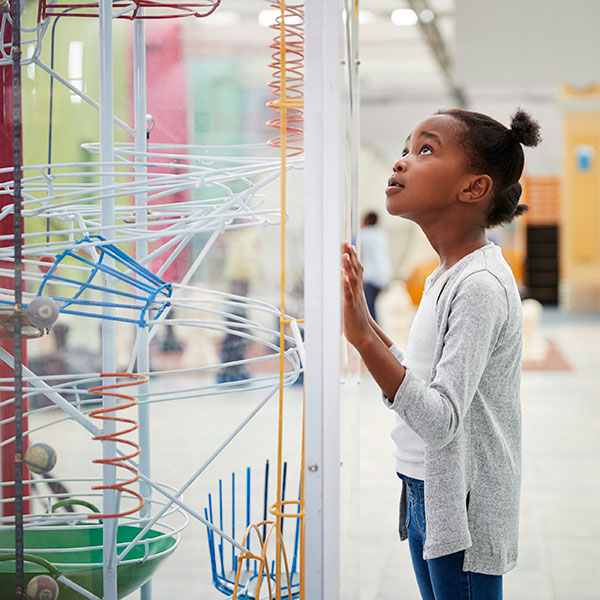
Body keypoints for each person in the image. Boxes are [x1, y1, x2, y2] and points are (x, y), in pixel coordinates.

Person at [342, 108, 541, 600]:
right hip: (424, 486)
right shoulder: (447, 274)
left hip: (461, 503)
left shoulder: (478, 285)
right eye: (407, 148)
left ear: (473, 189)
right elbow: (423, 375)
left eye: (425, 149)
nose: (402, 162)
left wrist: (365, 343)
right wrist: (365, 325)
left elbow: (441, 420)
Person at [360, 211, 392, 323]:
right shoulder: (382, 234)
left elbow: (361, 256)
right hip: (384, 275)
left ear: (365, 221)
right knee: (373, 305)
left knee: (369, 308)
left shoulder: (363, 235)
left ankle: (375, 331)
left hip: (370, 276)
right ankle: (377, 329)